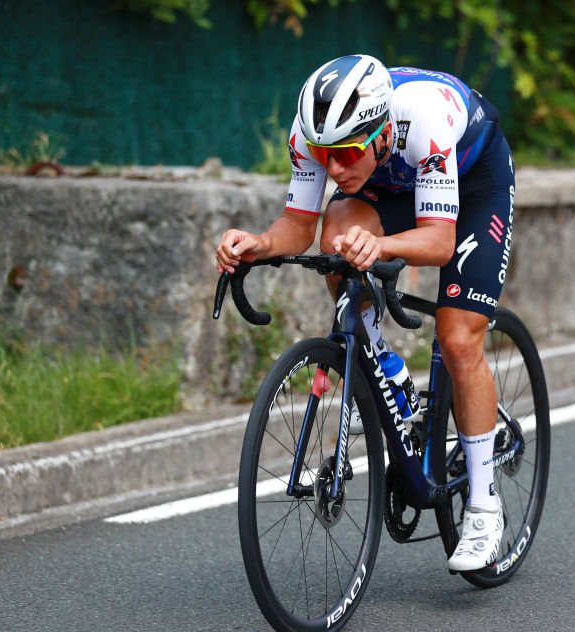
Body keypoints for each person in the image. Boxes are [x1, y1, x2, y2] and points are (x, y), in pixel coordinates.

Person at [215, 54, 515, 572]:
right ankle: (386, 369)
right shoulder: (316, 135)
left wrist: (380, 245)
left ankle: (485, 506)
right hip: (394, 182)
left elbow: (441, 242)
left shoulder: (422, 119)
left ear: (380, 133)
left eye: (347, 153)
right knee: (337, 239)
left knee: (460, 340)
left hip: (474, 179)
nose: (332, 168)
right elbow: (297, 222)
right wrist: (259, 243)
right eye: (324, 154)